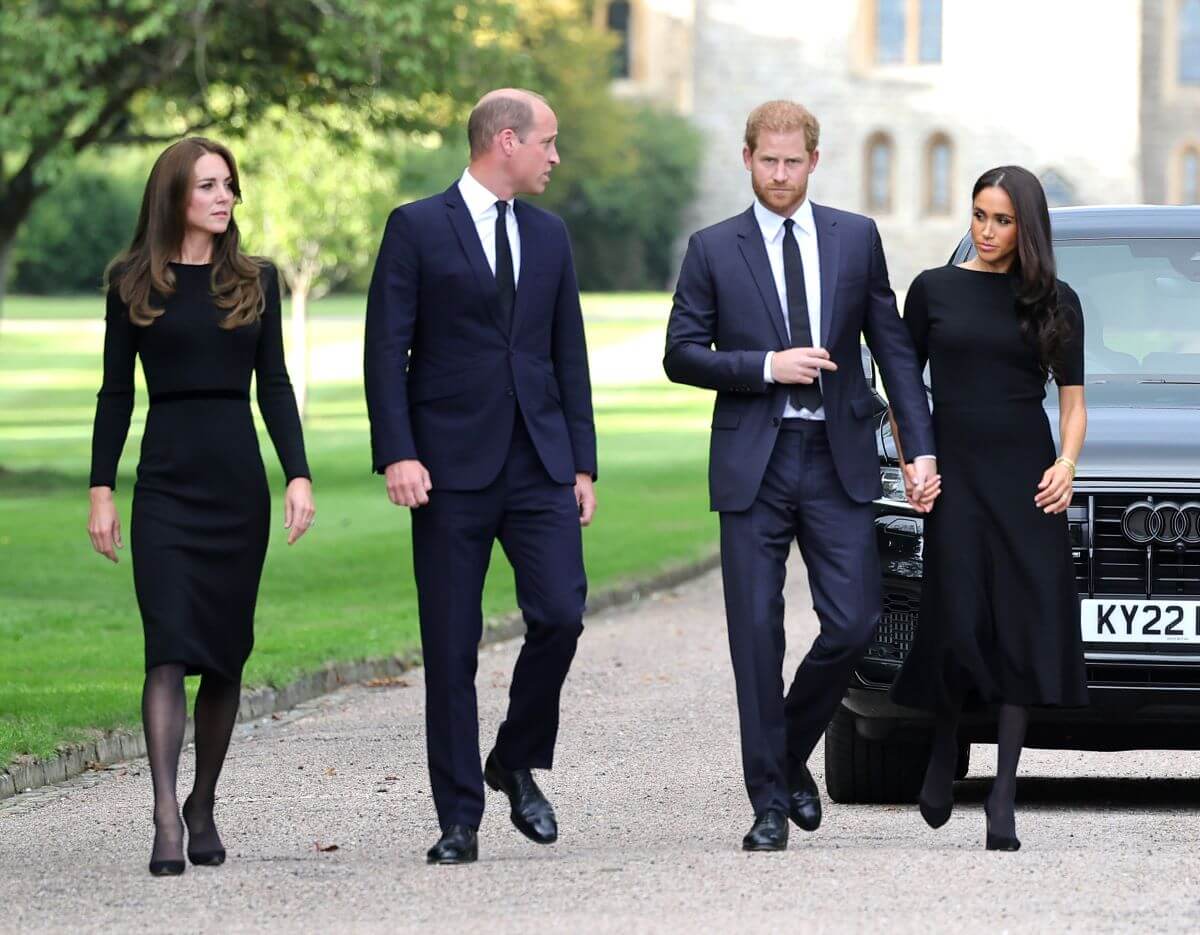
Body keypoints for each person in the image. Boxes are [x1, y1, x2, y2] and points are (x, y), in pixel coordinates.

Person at [664, 100, 938, 852]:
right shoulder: (713, 248)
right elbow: (681, 353)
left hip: (837, 459)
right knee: (755, 637)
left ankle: (785, 755)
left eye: (793, 162)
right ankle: (768, 804)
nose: (780, 176)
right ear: (747, 159)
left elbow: (893, 349)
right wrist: (763, 367)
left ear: (814, 161)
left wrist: (921, 449)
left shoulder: (856, 239)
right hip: (753, 459)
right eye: (767, 161)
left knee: (853, 620)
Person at [364, 88, 597, 866]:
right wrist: (398, 451)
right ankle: (458, 816)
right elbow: (385, 351)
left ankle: (513, 756)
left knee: (562, 613)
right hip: (447, 470)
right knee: (452, 647)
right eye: (548, 143)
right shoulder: (416, 228)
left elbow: (568, 355)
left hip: (539, 463)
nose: (556, 157)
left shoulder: (553, 235)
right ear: (506, 141)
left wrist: (582, 461)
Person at [88, 138, 315, 876]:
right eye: (209, 185)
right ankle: (163, 813)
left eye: (230, 186)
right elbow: (115, 392)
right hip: (164, 483)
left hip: (234, 485)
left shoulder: (256, 279)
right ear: (174, 195)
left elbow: (274, 384)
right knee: (167, 646)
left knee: (223, 652)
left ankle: (203, 801)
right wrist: (100, 489)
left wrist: (299, 474)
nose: (225, 198)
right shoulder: (131, 282)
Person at [889, 165, 1089, 851]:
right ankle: (945, 743)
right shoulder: (934, 289)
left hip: (1027, 478)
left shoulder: (1055, 300)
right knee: (958, 619)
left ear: (1026, 225)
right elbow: (904, 389)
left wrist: (1066, 465)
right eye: (979, 215)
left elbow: (1072, 400)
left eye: (1002, 219)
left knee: (1021, 627)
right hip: (956, 476)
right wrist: (915, 460)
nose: (987, 230)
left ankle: (1003, 793)